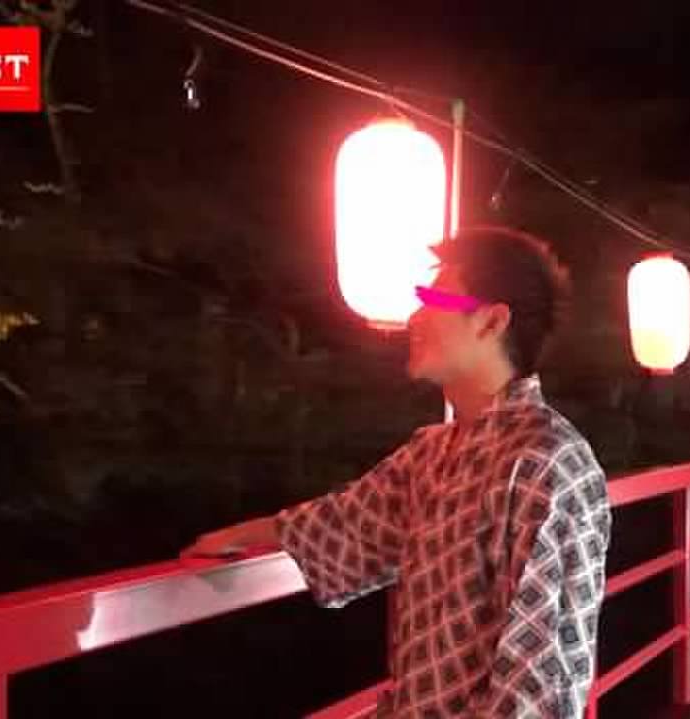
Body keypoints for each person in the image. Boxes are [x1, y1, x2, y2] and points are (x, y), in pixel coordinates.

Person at [183, 226, 612, 717]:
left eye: (433, 300)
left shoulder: (546, 463)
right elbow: (346, 524)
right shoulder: (432, 453)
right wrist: (237, 536)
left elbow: (540, 685)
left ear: (492, 322)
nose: (415, 317)